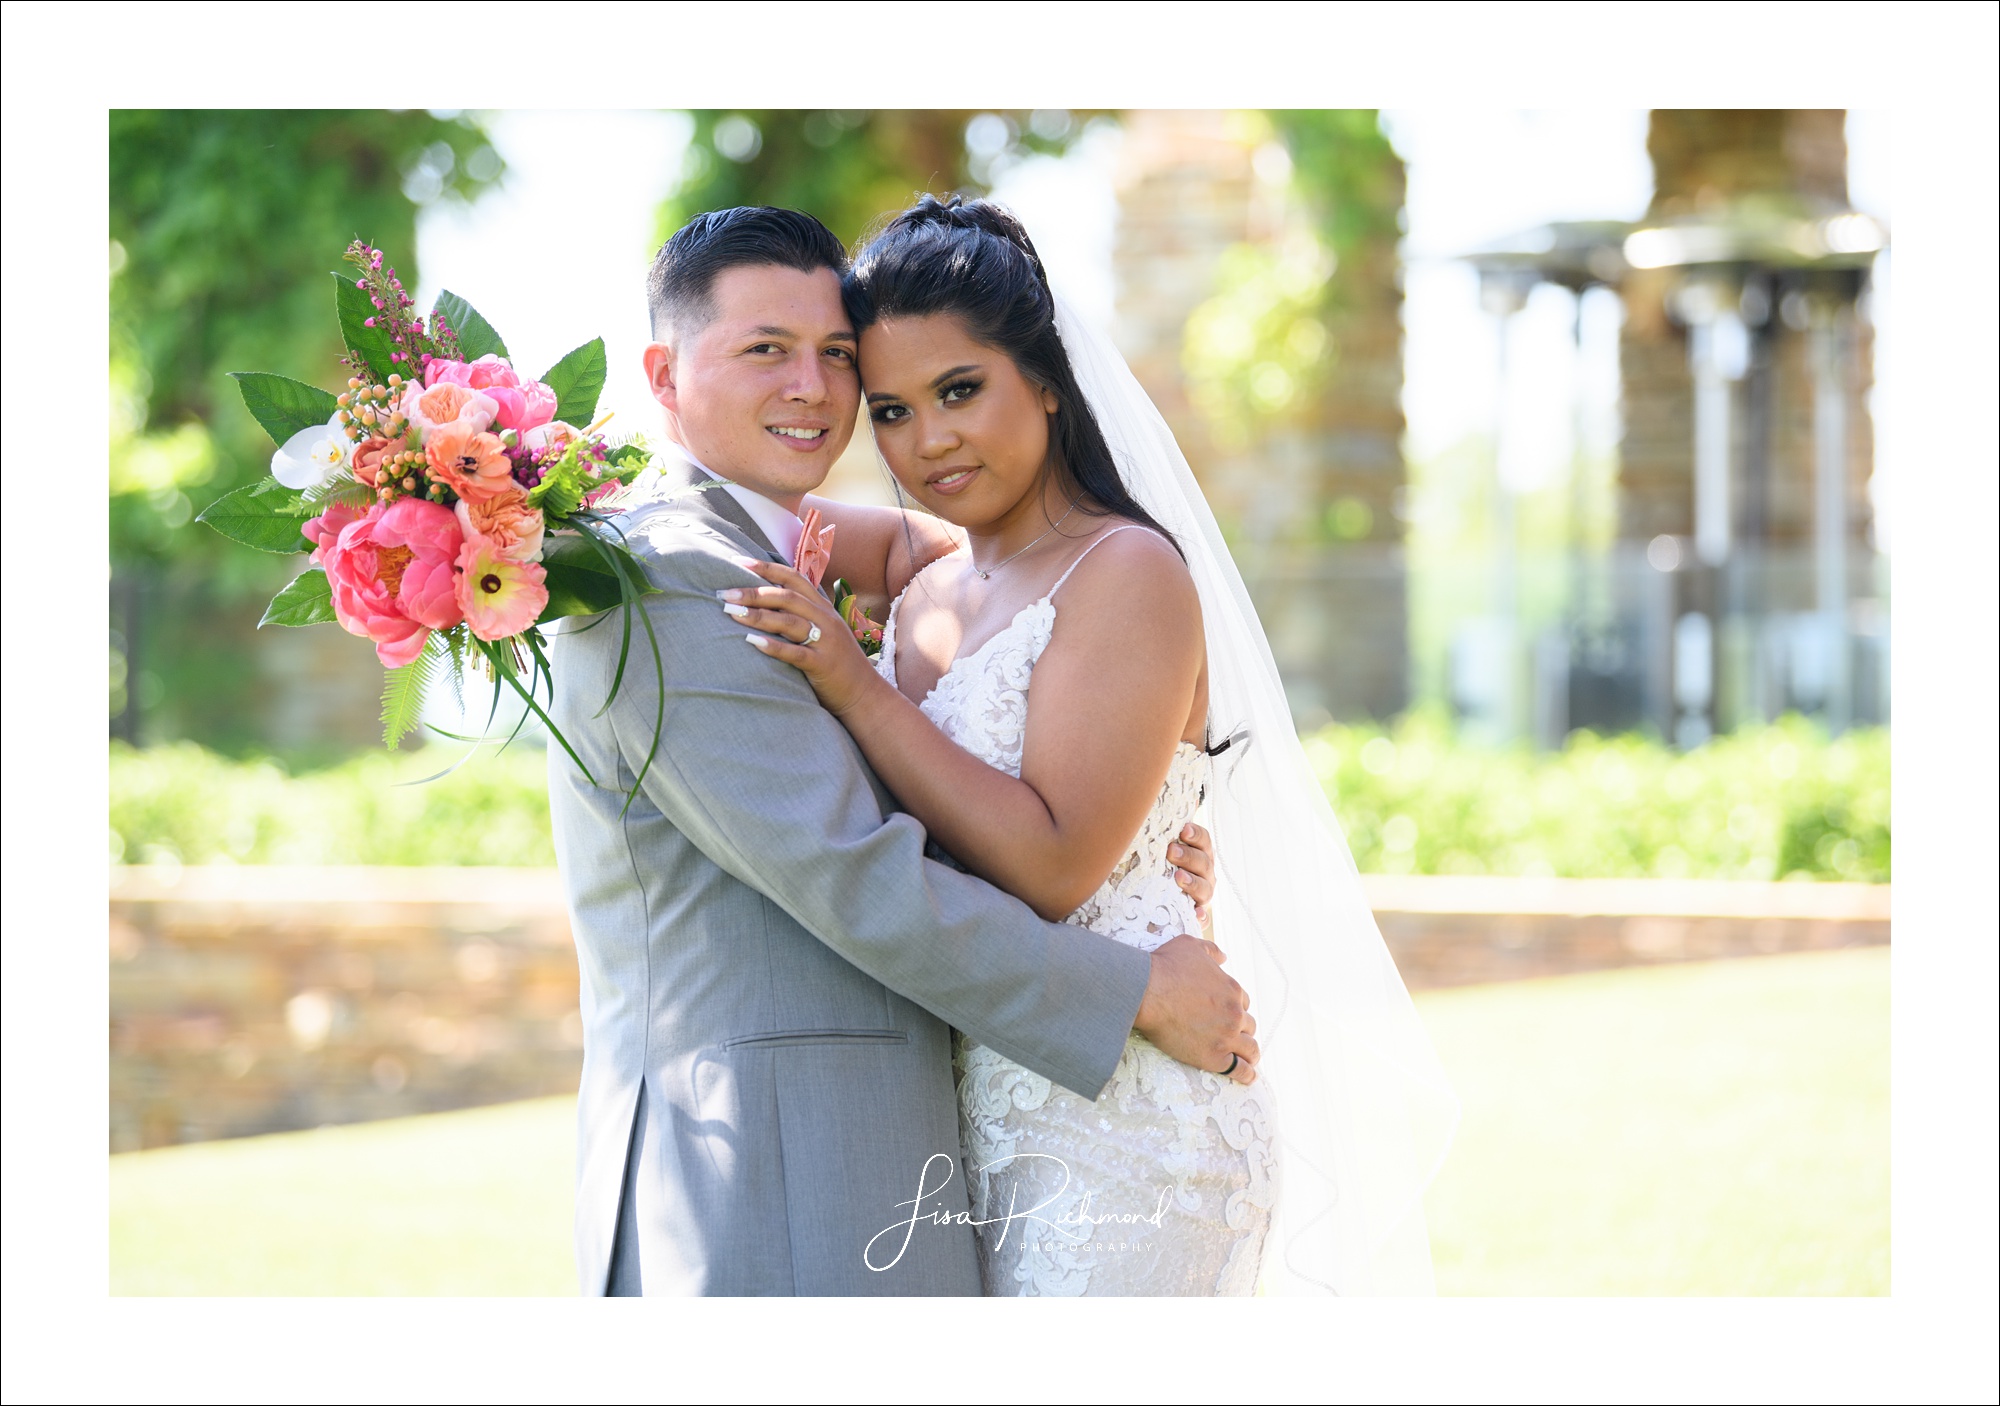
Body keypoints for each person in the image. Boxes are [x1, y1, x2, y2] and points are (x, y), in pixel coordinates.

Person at [728, 197, 1460, 1295]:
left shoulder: (1124, 573)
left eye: (960, 390)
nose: (928, 441)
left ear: (1047, 381)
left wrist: (848, 679)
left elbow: (1057, 864)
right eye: (889, 410)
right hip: (968, 1113)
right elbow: (751, 513)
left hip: (1130, 1119)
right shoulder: (931, 581)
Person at [545, 205, 1253, 1297]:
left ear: (1050, 380)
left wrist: (1155, 841)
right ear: (665, 371)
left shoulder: (868, 571)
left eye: (835, 357)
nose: (816, 392)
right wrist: (1131, 989)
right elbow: (856, 871)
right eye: (765, 350)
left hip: (1084, 1126)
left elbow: (997, 592)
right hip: (793, 1165)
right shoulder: (682, 575)